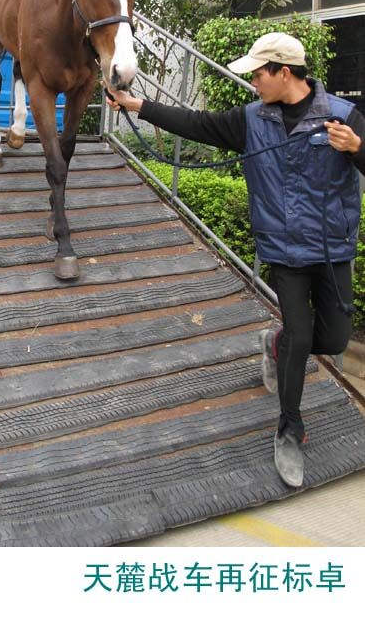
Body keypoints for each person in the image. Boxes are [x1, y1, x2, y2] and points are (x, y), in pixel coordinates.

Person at [107, 32, 365, 488]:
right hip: (283, 252)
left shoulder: (345, 118)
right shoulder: (251, 119)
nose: (253, 83)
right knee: (302, 337)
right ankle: (289, 428)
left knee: (332, 338)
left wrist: (357, 150)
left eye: (259, 74)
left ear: (284, 72)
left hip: (330, 251)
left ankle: (274, 343)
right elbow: (196, 123)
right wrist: (135, 105)